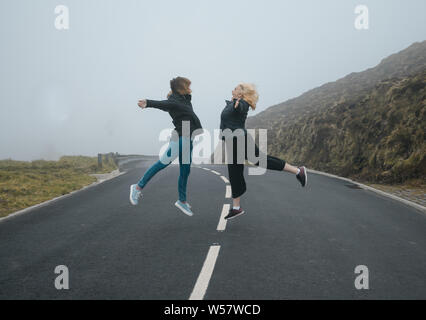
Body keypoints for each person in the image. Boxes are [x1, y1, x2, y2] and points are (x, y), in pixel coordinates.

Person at [220, 83, 307, 220]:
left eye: (236, 88)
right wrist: (232, 103)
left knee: (260, 160)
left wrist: (237, 104)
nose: (233, 89)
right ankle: (236, 208)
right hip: (232, 141)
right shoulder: (232, 103)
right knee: (234, 172)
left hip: (239, 140)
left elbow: (240, 108)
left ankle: (298, 171)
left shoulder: (242, 104)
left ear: (241, 93)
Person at [129, 77, 202, 216]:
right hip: (181, 136)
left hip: (188, 137)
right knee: (162, 163)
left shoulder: (185, 100)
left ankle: (182, 201)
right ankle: (137, 187)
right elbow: (163, 104)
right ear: (180, 88)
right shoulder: (173, 102)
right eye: (187, 85)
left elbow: (187, 97)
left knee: (185, 171)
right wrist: (148, 103)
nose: (190, 87)